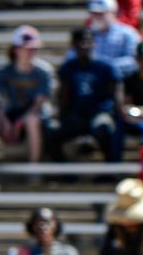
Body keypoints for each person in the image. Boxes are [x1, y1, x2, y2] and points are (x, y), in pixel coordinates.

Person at [51, 27, 121, 163]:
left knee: (103, 127)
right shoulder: (68, 67)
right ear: (73, 44)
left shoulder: (106, 66)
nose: (83, 45)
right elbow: (64, 96)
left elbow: (116, 94)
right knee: (52, 131)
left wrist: (116, 114)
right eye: (79, 42)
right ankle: (65, 174)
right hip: (76, 116)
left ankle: (109, 170)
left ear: (94, 43)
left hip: (100, 114)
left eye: (87, 41)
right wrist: (61, 116)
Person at [0, 27, 55, 164]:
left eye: (34, 49)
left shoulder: (43, 72)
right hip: (13, 113)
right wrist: (3, 120)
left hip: (37, 115)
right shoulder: (5, 73)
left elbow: (38, 104)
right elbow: (0, 100)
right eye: (27, 49)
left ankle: (33, 169)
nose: (31, 52)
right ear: (16, 50)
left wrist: (18, 123)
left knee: (32, 120)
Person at [83, 0, 141, 78]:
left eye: (101, 12)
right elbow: (72, 58)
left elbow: (134, 61)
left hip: (121, 81)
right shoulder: (86, 35)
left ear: (113, 12)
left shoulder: (128, 34)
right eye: (94, 12)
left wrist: (106, 67)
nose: (97, 16)